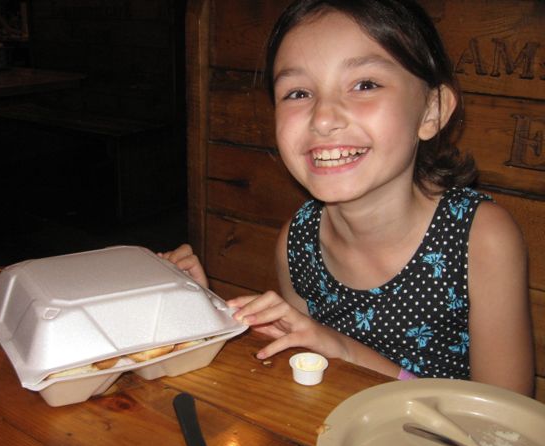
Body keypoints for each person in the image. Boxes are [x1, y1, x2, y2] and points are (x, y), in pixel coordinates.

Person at [162, 0, 534, 396]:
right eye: (298, 92)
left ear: (432, 111)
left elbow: (504, 428)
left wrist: (341, 349)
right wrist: (205, 309)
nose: (323, 117)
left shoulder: (480, 238)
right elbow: (306, 376)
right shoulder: (297, 242)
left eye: (365, 85)